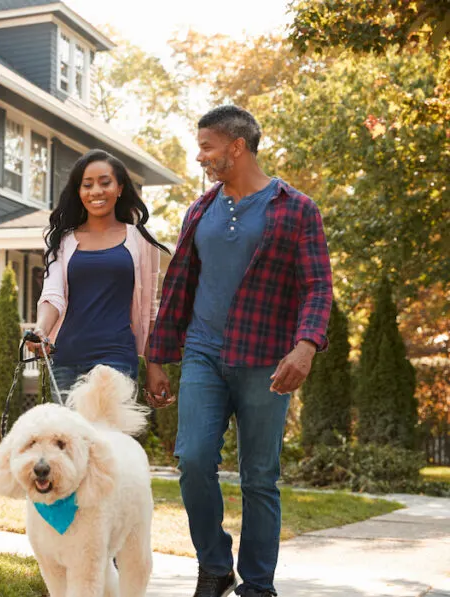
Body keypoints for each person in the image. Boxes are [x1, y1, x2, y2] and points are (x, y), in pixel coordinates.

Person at [145, 106, 333, 597]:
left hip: (267, 360)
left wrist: (306, 347)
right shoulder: (200, 209)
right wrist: (158, 357)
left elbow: (317, 286)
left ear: (236, 146)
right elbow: (179, 286)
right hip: (204, 354)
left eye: (206, 146)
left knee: (260, 478)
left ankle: (257, 585)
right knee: (193, 459)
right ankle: (214, 564)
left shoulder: (296, 208)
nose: (199, 155)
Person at [28, 149, 170, 393]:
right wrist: (41, 330)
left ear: (120, 188)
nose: (96, 191)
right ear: (78, 191)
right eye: (87, 185)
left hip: (117, 360)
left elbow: (149, 309)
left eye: (105, 183)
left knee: (109, 432)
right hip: (66, 360)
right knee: (68, 432)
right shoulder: (61, 241)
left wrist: (154, 365)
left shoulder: (142, 240)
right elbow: (52, 296)